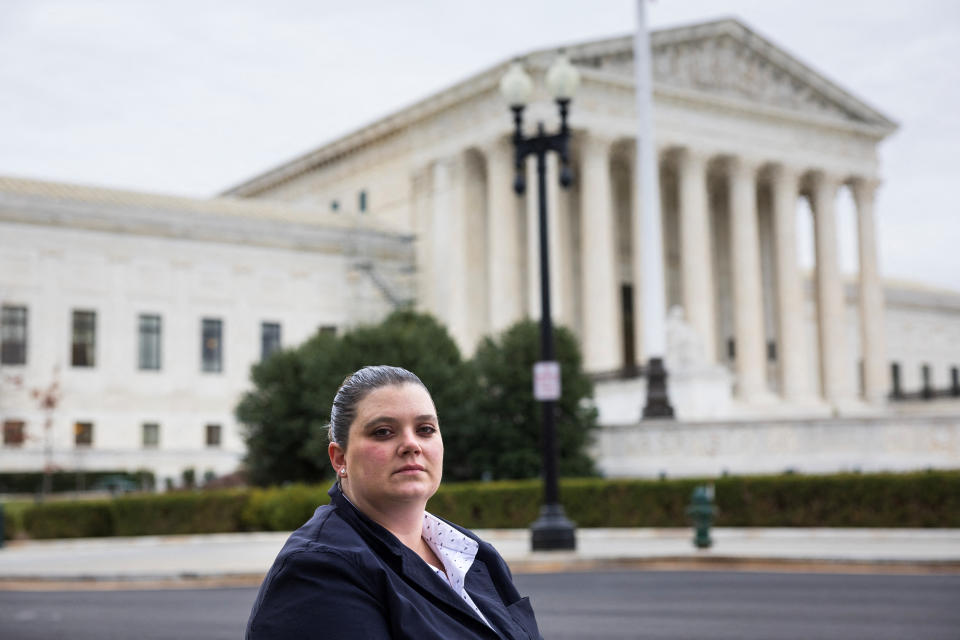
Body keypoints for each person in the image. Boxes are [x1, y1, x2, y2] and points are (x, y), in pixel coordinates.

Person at [246, 365, 543, 639]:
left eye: (425, 429)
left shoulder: (472, 553)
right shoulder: (318, 570)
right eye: (383, 432)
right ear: (340, 458)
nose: (411, 444)